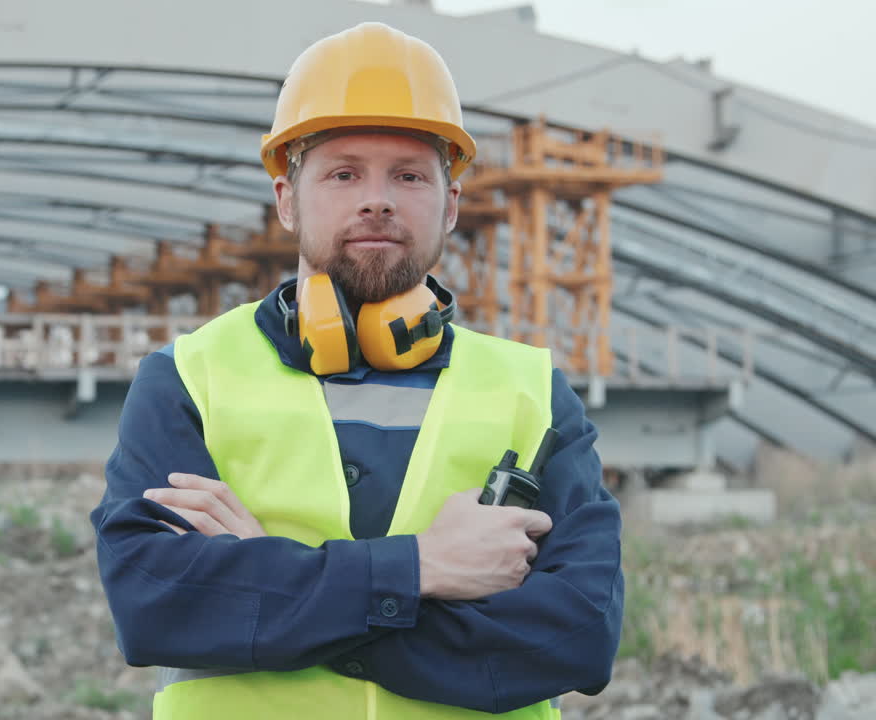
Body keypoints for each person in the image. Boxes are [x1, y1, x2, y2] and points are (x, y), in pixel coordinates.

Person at [90, 21, 623, 719]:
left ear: (450, 205)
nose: (378, 199)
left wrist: (273, 587)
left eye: (408, 176)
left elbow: (578, 638)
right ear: (287, 199)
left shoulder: (532, 393)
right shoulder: (189, 378)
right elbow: (155, 605)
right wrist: (423, 569)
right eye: (344, 173)